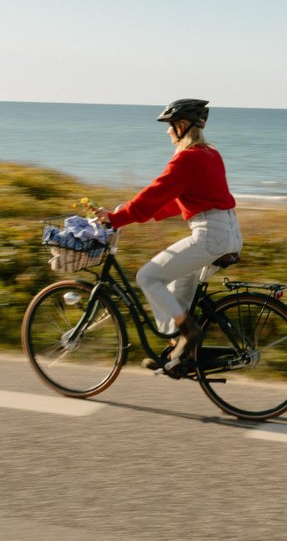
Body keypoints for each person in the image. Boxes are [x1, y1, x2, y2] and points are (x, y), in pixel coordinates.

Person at [95, 99, 242, 373]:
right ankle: (178, 354)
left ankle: (190, 334)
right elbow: (184, 199)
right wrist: (144, 215)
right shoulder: (210, 154)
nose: (167, 132)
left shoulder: (187, 158)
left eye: (170, 126)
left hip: (210, 236)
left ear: (183, 126)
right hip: (229, 232)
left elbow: (152, 194)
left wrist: (116, 218)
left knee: (148, 277)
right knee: (177, 290)